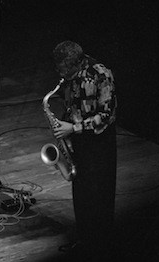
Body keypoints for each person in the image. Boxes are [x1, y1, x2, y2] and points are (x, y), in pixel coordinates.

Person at [52, 41, 117, 261]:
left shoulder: (102, 75)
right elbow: (72, 106)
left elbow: (107, 115)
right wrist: (64, 126)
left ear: (78, 63)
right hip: (79, 142)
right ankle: (84, 241)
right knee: (81, 196)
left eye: (65, 70)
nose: (61, 74)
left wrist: (75, 127)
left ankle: (101, 248)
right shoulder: (70, 78)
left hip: (99, 144)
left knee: (99, 197)